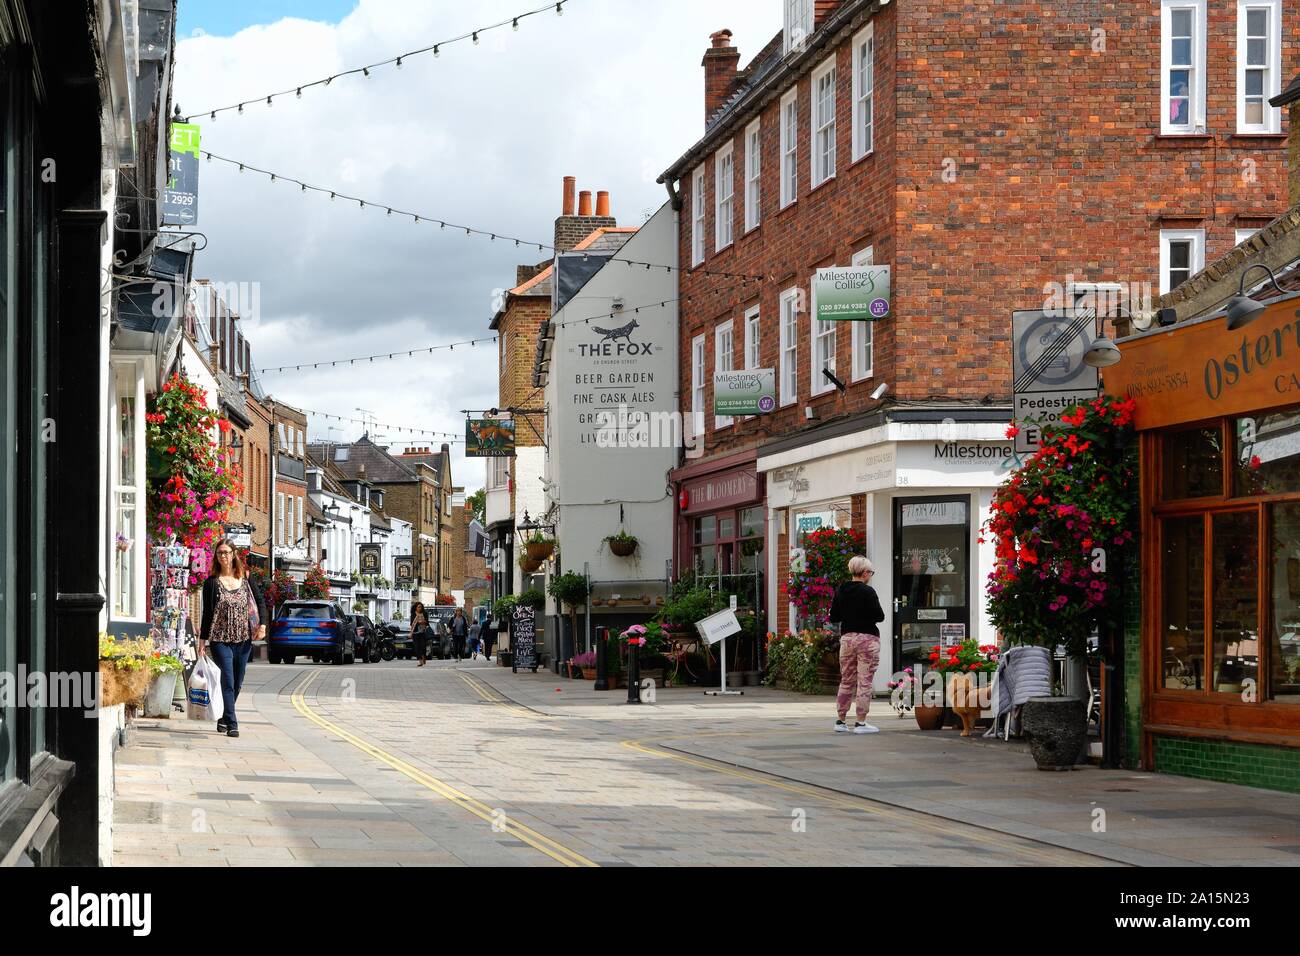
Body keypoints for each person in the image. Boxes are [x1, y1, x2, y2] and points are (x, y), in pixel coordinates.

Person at [199, 540, 266, 738]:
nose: (223, 556)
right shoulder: (211, 582)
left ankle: (223, 717)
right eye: (219, 553)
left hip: (243, 639)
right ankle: (233, 723)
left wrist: (262, 625)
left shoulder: (245, 578)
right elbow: (207, 613)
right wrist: (202, 641)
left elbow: (260, 602)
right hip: (220, 639)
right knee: (227, 680)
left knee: (237, 682)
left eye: (226, 552)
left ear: (234, 554)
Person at [828, 555, 885, 735]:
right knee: (864, 681)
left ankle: (841, 720)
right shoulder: (868, 592)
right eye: (871, 572)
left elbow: (834, 617)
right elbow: (880, 616)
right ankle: (861, 722)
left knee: (846, 680)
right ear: (865, 573)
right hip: (867, 639)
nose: (871, 575)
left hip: (847, 639)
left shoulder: (841, 590)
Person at [411, 602, 430, 667]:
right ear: (416, 607)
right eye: (418, 607)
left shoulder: (424, 613)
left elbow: (427, 623)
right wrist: (419, 623)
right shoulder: (413, 614)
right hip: (415, 633)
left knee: (423, 646)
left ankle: (423, 656)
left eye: (421, 607)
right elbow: (412, 624)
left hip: (422, 632)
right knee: (417, 647)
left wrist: (424, 622)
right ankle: (420, 661)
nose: (420, 608)